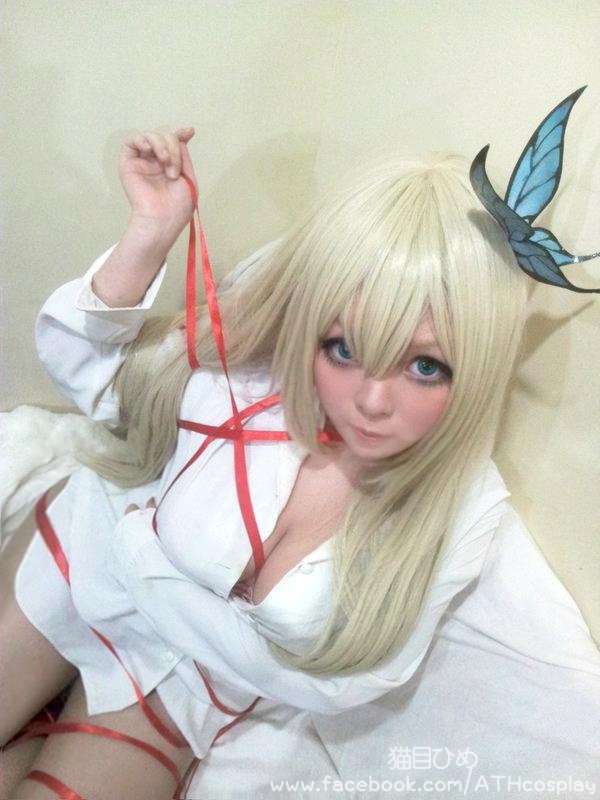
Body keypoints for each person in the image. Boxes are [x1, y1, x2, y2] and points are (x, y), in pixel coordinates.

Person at [0, 118, 555, 800]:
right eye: (344, 349)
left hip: (179, 690)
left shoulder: (459, 508)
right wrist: (150, 234)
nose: (371, 401)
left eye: (425, 366)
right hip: (74, 561)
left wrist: (145, 558)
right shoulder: (255, 374)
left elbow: (337, 683)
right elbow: (96, 377)